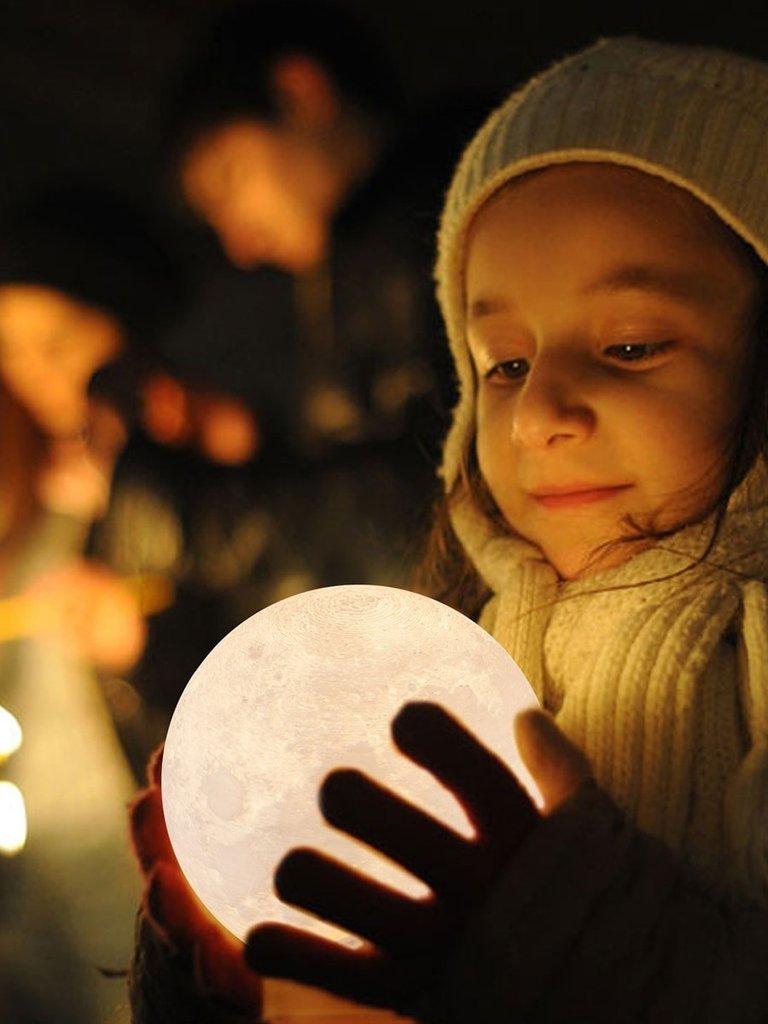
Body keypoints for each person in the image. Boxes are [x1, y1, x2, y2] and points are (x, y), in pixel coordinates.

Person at [128, 35, 768, 1022]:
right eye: (501, 363)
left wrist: (566, 925)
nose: (537, 410)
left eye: (631, 345)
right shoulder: (452, 648)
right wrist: (220, 963)